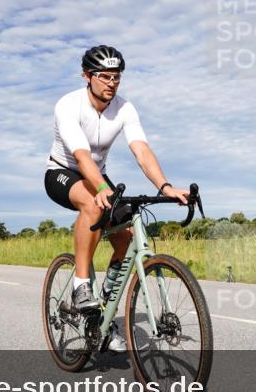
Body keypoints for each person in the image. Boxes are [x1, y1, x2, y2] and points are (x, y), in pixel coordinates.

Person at [44, 45, 188, 353]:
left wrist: (165, 186)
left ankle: (102, 316)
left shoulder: (125, 108)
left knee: (126, 236)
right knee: (93, 205)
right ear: (87, 76)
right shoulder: (68, 105)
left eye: (117, 77)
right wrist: (99, 188)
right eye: (105, 76)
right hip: (63, 172)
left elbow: (141, 150)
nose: (112, 83)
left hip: (96, 175)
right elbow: (81, 155)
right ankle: (82, 285)